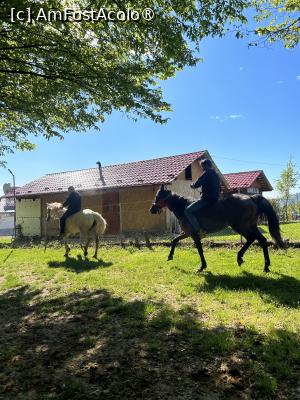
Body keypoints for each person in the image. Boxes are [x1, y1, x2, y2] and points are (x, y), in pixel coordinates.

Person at [184, 158, 220, 233]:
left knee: (187, 211)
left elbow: (197, 184)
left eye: (202, 166)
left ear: (206, 165)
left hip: (207, 199)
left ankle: (199, 230)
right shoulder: (216, 174)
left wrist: (192, 185)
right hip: (216, 199)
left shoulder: (207, 173)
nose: (202, 168)